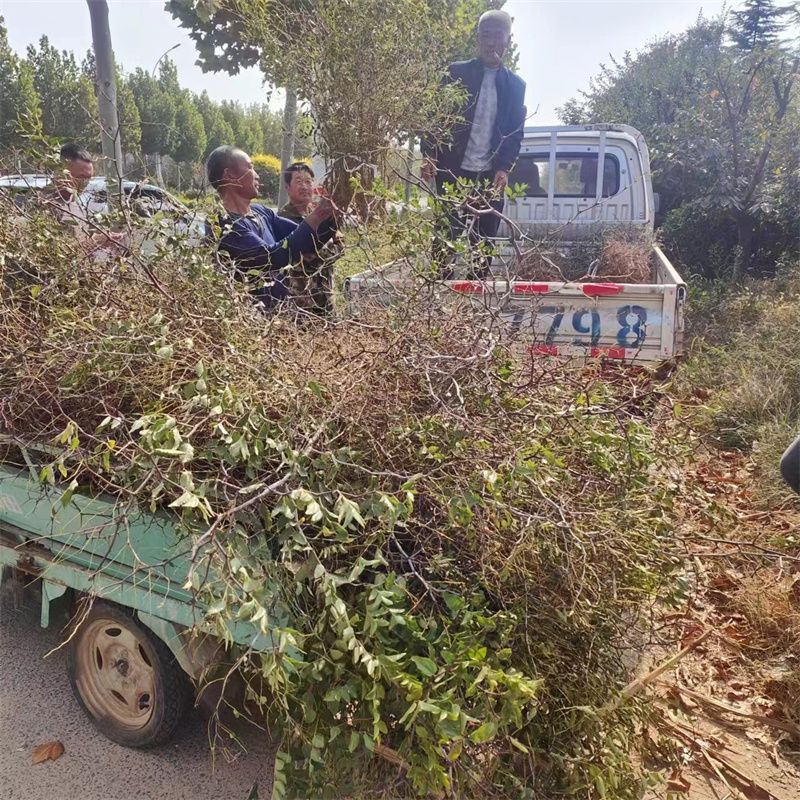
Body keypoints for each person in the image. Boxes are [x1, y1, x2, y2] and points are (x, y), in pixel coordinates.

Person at [421, 9, 526, 275]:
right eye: (485, 36)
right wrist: (429, 153)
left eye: (497, 36)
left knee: (483, 242)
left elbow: (515, 133)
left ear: (508, 40)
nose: (491, 43)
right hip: (453, 171)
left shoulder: (516, 85)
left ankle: (475, 302)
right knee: (445, 237)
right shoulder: (455, 73)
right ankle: (437, 291)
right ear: (477, 38)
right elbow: (435, 116)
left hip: (488, 178)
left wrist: (504, 168)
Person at [206, 146, 336, 311]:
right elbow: (273, 256)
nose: (257, 175)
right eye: (250, 167)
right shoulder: (224, 225)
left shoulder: (261, 212)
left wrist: (335, 211)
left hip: (278, 316)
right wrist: (317, 215)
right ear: (230, 175)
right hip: (251, 320)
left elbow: (310, 241)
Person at [279, 162, 341, 317]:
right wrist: (326, 251)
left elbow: (340, 245)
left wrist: (320, 253)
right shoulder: (282, 220)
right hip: (299, 302)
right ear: (287, 188)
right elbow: (303, 257)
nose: (304, 186)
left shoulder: (323, 215)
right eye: (298, 181)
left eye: (308, 182)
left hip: (326, 296)